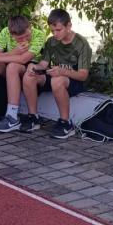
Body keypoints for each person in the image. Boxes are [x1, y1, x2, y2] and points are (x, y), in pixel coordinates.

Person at [21, 9, 92, 139]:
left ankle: (66, 123)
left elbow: (83, 75)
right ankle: (33, 118)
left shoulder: (81, 44)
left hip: (74, 80)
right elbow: (43, 64)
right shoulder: (51, 41)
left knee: (57, 80)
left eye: (58, 30)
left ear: (69, 26)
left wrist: (63, 71)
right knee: (29, 76)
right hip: (56, 75)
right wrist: (34, 67)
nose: (55, 34)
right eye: (52, 30)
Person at [0, 15, 48, 132]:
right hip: (9, 62)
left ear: (30, 27)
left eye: (27, 36)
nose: (24, 40)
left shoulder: (38, 34)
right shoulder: (5, 32)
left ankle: (12, 117)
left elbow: (24, 59)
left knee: (12, 66)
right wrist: (13, 52)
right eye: (19, 39)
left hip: (29, 67)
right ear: (12, 35)